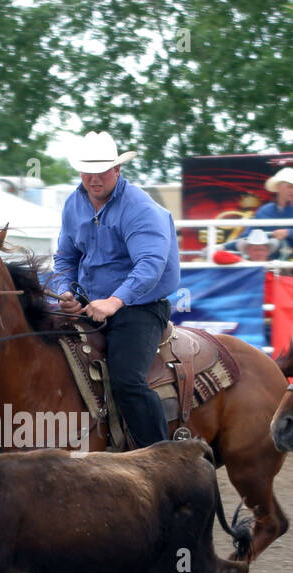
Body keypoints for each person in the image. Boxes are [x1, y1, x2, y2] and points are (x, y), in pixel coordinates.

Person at [51, 131, 180, 448]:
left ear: (117, 170)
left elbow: (151, 263)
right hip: (88, 305)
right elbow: (65, 257)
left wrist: (115, 300)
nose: (94, 179)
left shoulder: (140, 208)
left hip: (140, 308)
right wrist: (65, 291)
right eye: (87, 171)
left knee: (127, 380)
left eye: (102, 171)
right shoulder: (73, 203)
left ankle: (164, 459)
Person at [224, 167, 293, 260]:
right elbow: (247, 235)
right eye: (290, 187)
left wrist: (288, 233)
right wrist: (225, 247)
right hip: (267, 259)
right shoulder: (264, 211)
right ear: (278, 188)